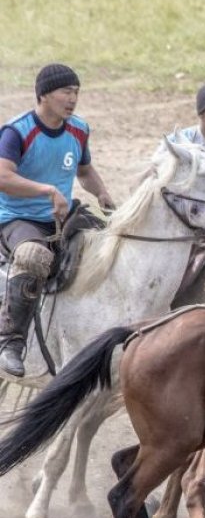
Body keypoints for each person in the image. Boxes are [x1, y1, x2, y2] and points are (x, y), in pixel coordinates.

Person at [0, 63, 115, 377]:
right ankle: (10, 342)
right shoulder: (17, 130)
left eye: (76, 92)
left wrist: (103, 194)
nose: (73, 98)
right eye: (66, 91)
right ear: (43, 95)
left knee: (113, 243)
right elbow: (3, 176)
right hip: (17, 218)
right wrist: (47, 190)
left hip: (63, 217)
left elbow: (85, 170)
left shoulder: (79, 129)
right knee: (33, 256)